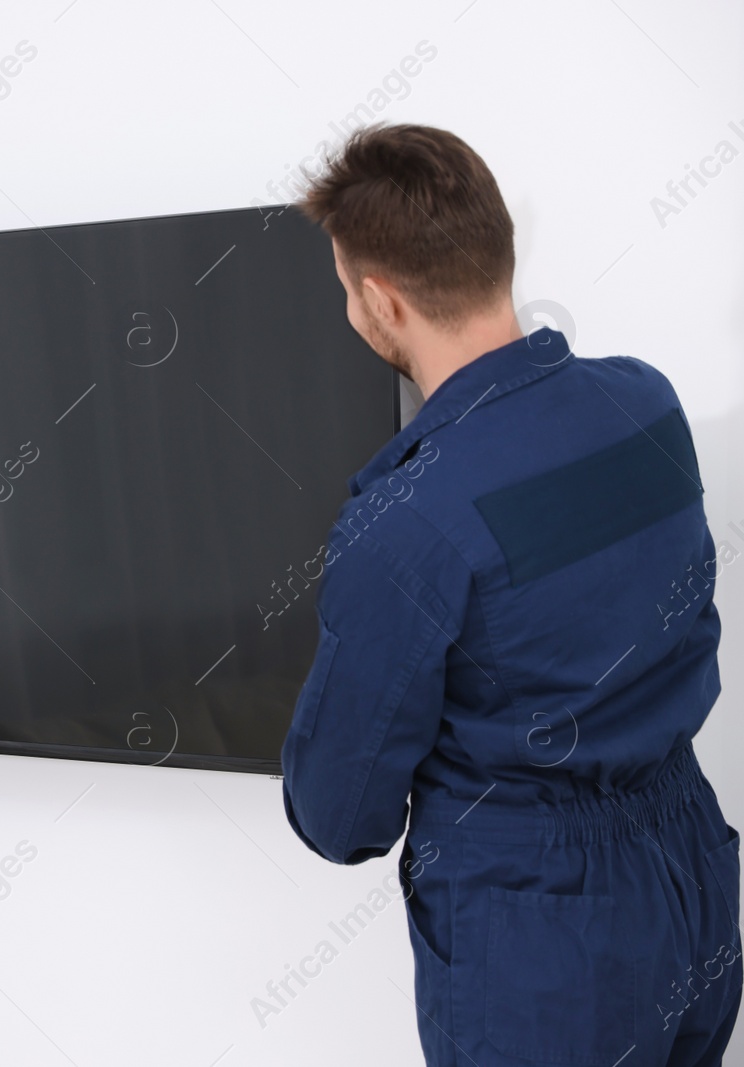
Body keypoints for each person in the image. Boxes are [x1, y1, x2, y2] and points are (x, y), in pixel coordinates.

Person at [280, 124, 739, 1066]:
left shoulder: (406, 522)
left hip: (546, 942)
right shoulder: (642, 402)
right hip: (696, 872)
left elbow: (339, 818)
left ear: (379, 300)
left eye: (343, 291)